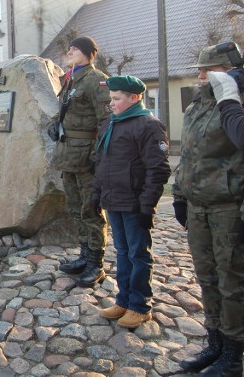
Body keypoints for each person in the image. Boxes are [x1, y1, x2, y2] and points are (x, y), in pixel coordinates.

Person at [173, 44, 244, 376]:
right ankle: (214, 342)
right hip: (198, 205)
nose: (200, 75)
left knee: (233, 282)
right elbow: (187, 155)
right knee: (207, 277)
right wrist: (178, 195)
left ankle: (232, 354)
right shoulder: (197, 106)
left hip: (228, 207)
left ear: (228, 71)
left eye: (208, 69)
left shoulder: (236, 107)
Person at [92, 76, 170, 329]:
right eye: (111, 98)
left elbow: (157, 170)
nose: (111, 103)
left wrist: (147, 207)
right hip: (114, 201)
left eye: (116, 99)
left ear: (134, 98)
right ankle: (123, 300)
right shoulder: (111, 124)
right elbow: (102, 164)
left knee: (138, 254)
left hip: (135, 204)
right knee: (123, 253)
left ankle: (139, 305)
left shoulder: (148, 126)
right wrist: (97, 195)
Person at [50, 36, 111, 288]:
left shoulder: (97, 79)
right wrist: (54, 125)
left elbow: (106, 121)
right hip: (68, 155)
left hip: (86, 157)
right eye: (70, 48)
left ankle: (96, 262)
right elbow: (64, 111)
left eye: (75, 48)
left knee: (92, 210)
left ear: (87, 53)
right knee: (76, 208)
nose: (70, 51)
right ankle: (84, 256)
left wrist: (97, 156)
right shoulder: (72, 79)